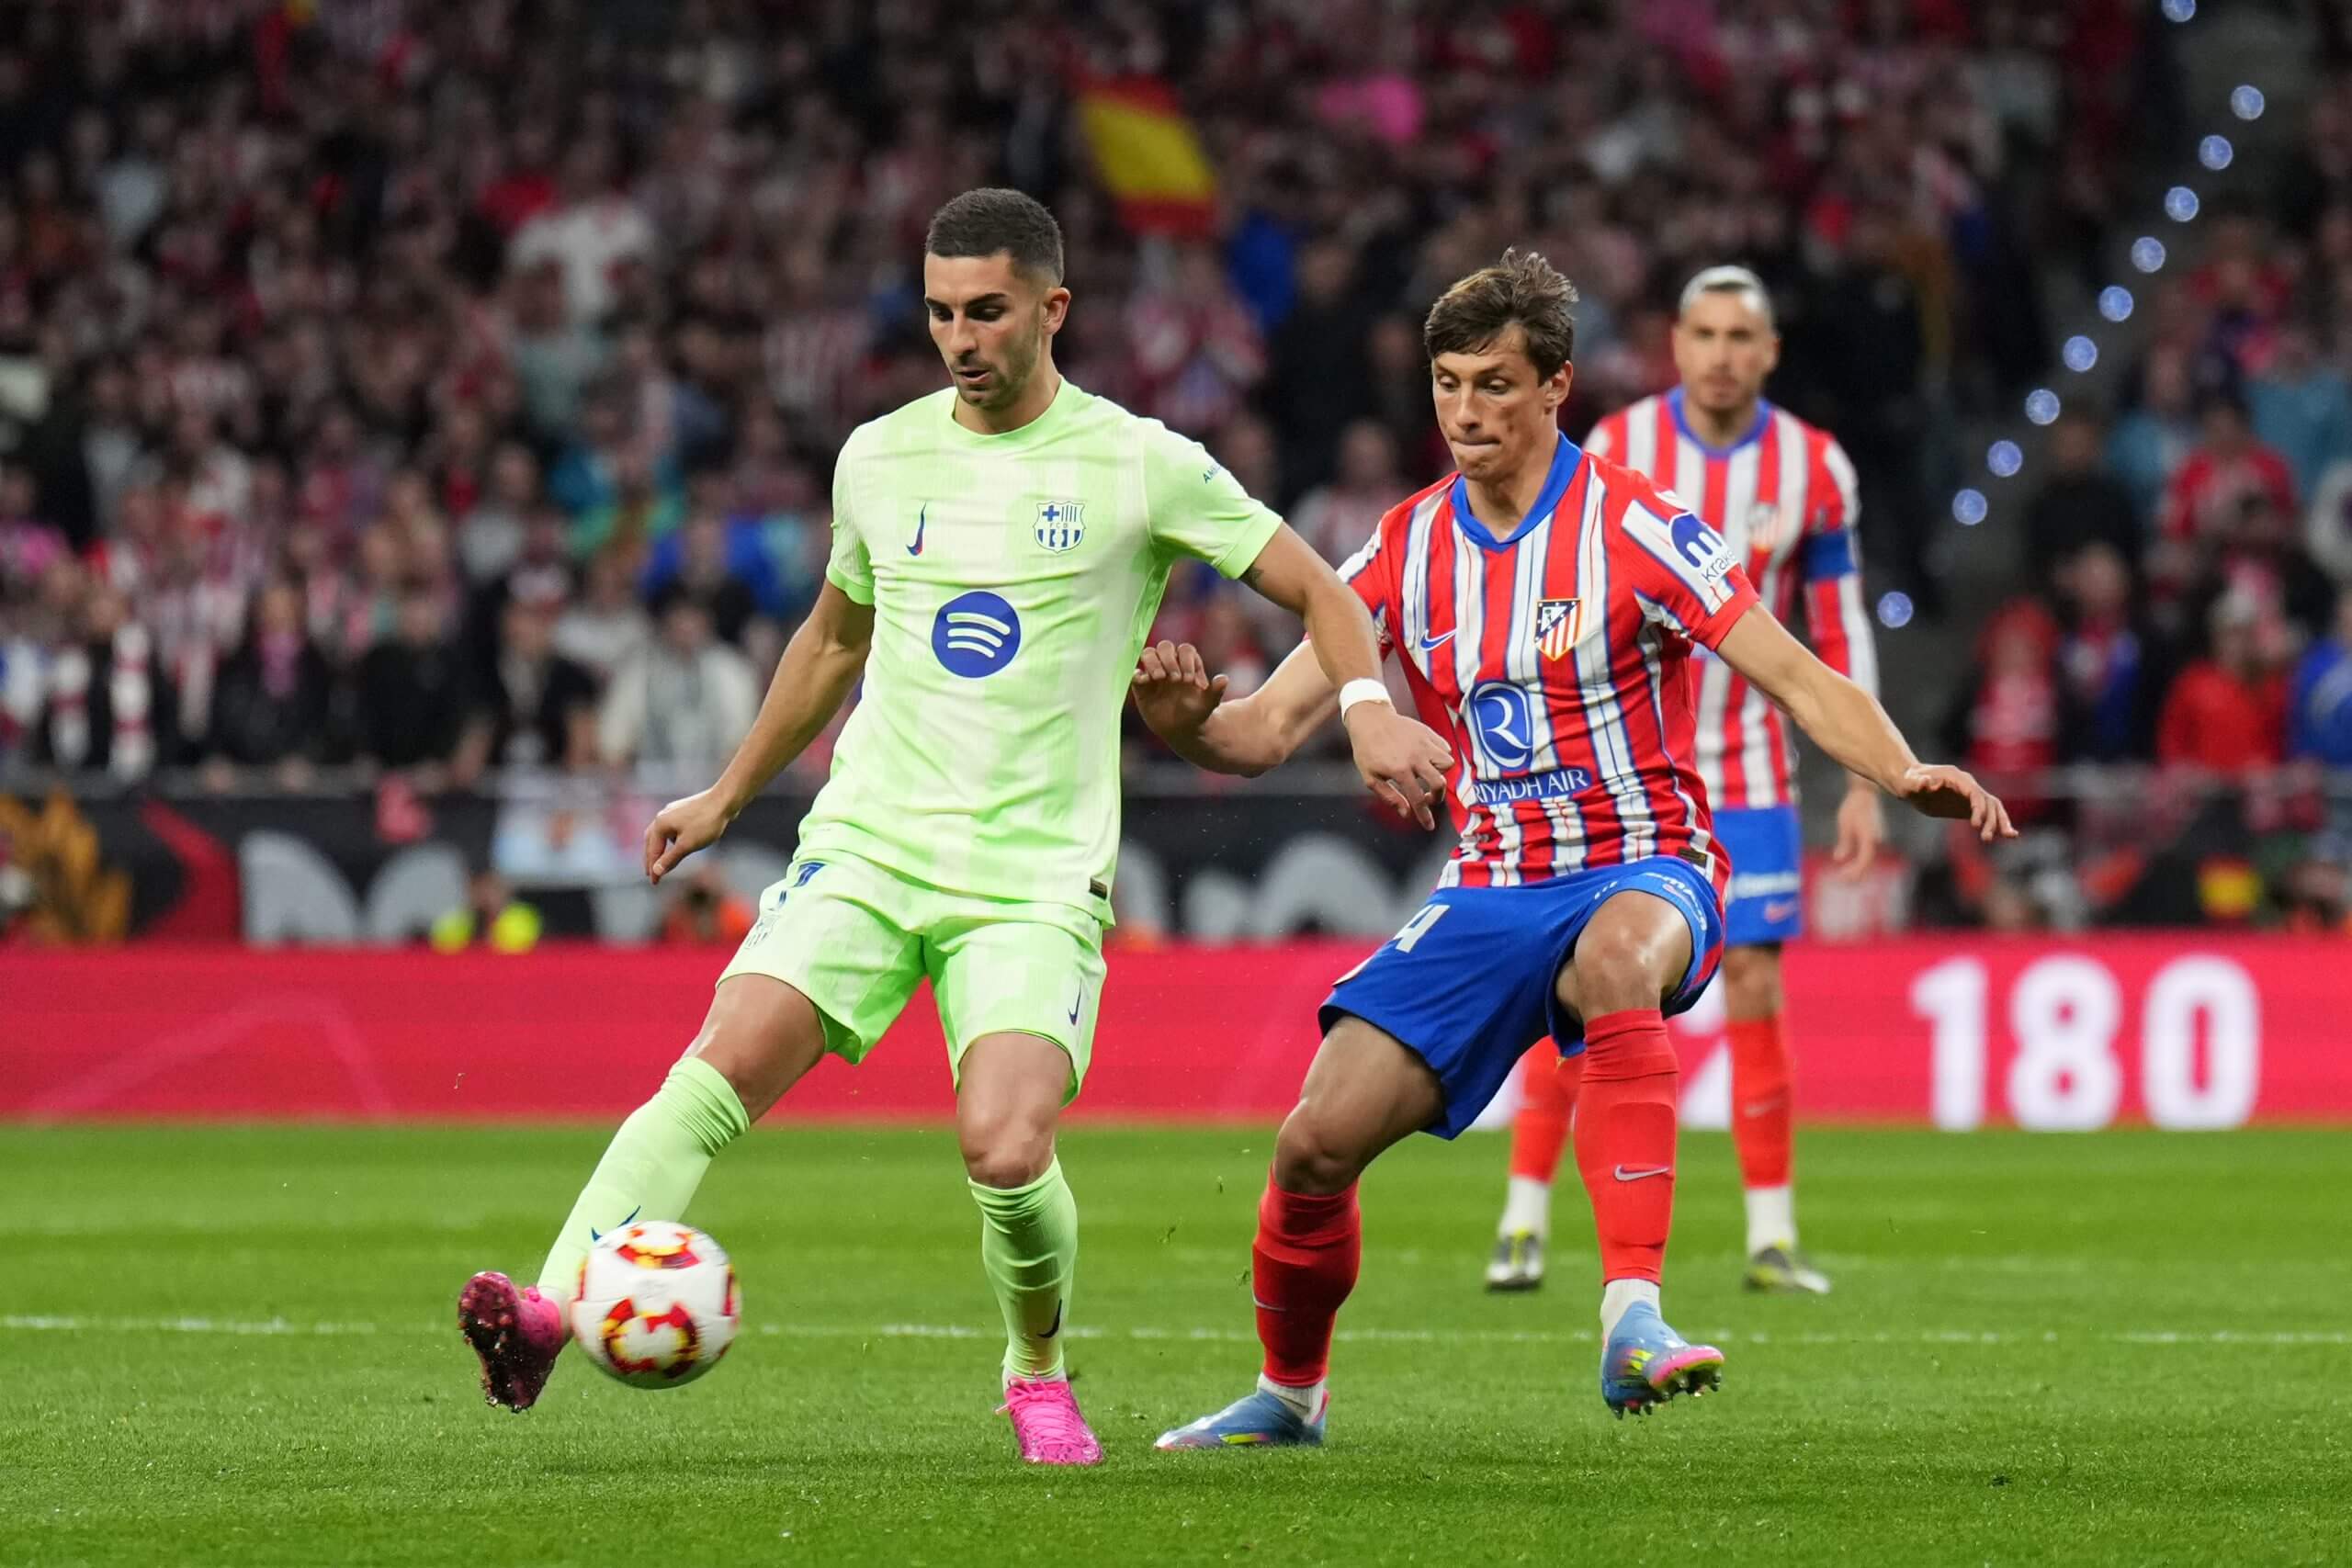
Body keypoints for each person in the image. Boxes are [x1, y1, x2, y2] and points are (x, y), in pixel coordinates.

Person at [455, 189, 1449, 1466]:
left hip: (1033, 874)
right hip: (871, 839)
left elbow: (1322, 589)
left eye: (986, 311)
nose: (960, 337)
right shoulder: (879, 455)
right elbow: (832, 638)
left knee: (1005, 1140)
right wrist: (725, 793)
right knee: (717, 1063)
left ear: (1053, 308)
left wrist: (1365, 711)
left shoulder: (1140, 461)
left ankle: (1036, 1367)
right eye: (938, 312)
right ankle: (548, 1307)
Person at [1136, 251, 2011, 1444]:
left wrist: (1897, 766)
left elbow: (1795, 670)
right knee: (1312, 1142)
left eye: (1496, 384)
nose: (1465, 411)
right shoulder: (1400, 550)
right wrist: (1188, 720)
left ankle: (1633, 1316)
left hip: (1650, 861)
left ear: (1556, 388)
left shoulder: (1640, 527)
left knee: (1613, 963)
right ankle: (1291, 1393)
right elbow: (1259, 732)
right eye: (1448, 383)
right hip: (1493, 886)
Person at [1483, 266, 1884, 1297]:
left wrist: (1862, 773)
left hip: (1750, 768)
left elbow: (1834, 627)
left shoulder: (1815, 467)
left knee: (1754, 985)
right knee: (1583, 984)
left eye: (1738, 336)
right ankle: (1523, 1219)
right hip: (1619, 767)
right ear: (1676, 341)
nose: (1718, 354)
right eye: (1701, 333)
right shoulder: (1618, 447)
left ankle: (1771, 1236)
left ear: (1769, 350)